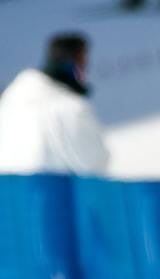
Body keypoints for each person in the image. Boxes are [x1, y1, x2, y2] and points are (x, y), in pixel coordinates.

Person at [0, 32, 109, 175]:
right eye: (83, 62)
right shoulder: (69, 107)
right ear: (72, 64)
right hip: (48, 191)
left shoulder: (12, 97)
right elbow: (93, 163)